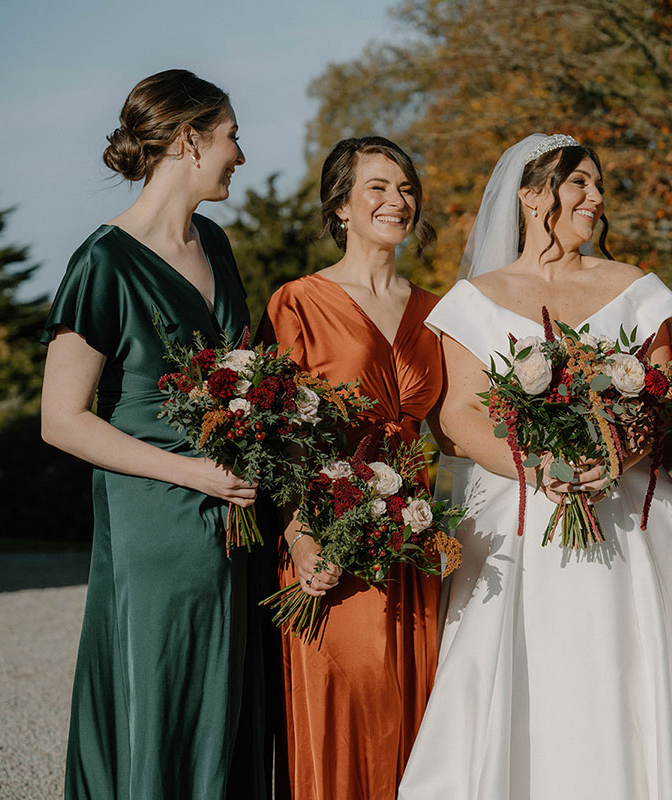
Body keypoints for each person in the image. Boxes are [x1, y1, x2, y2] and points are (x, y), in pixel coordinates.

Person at [398, 133, 672, 800]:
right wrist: (535, 466)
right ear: (530, 195)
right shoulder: (472, 300)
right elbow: (459, 415)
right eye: (580, 183)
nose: (596, 198)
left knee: (640, 675)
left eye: (598, 185)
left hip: (630, 510)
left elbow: (660, 399)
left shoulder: (634, 288)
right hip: (519, 517)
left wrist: (614, 455)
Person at [40, 69, 267, 798]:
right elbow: (61, 419)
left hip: (232, 505)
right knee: (163, 684)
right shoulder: (103, 262)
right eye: (231, 135)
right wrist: (194, 473)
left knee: (228, 693)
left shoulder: (216, 243)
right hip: (156, 514)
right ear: (189, 139)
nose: (241, 153)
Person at [257, 136, 446, 799]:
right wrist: (298, 533)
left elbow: (453, 434)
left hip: (413, 542)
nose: (396, 200)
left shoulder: (436, 311)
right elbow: (277, 434)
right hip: (325, 536)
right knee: (342, 706)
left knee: (415, 714)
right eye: (377, 187)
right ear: (339, 204)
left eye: (405, 188)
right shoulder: (298, 302)